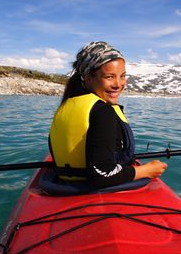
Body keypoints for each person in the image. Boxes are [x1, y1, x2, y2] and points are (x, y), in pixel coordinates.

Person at [49, 41, 167, 188]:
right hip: (97, 191)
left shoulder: (64, 107)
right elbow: (101, 176)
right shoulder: (103, 112)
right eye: (109, 77)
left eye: (122, 76)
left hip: (61, 186)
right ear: (88, 78)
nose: (118, 84)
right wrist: (146, 170)